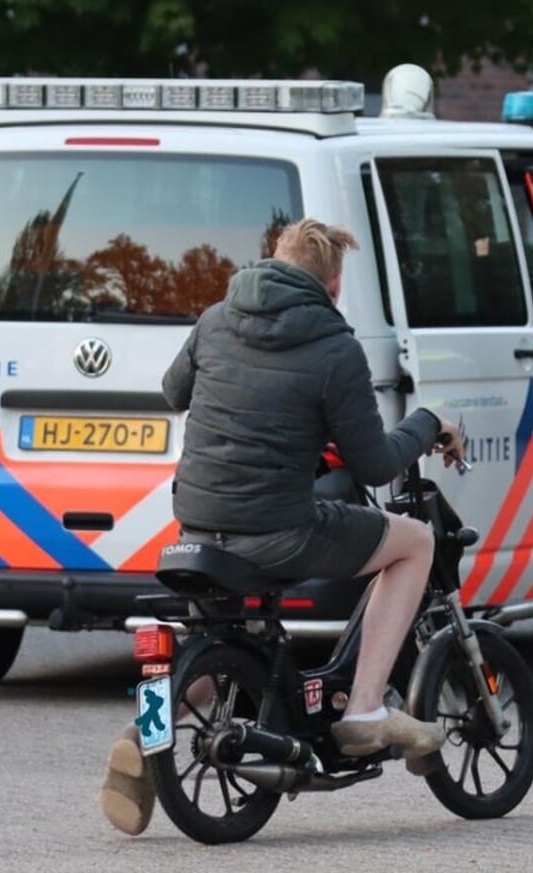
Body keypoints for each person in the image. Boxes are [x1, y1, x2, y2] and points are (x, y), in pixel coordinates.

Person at [99, 219, 464, 836]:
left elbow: (172, 392)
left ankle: (143, 735)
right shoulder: (334, 347)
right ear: (333, 281)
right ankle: (367, 708)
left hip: (198, 524)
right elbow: (375, 461)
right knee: (414, 544)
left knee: (232, 640)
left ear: (273, 260)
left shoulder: (216, 318)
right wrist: (430, 423)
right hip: (278, 528)